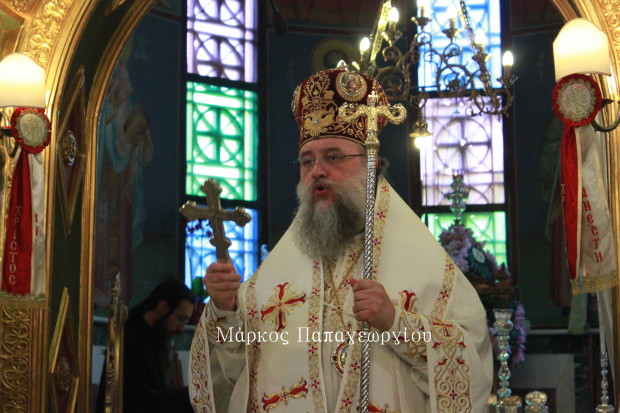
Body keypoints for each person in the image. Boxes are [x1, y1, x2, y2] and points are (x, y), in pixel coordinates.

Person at [189, 66, 493, 412]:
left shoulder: (425, 266)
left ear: (370, 165)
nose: (317, 170)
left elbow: (472, 365)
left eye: (333, 157)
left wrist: (396, 323)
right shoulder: (272, 275)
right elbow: (233, 375)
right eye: (307, 161)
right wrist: (225, 310)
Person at [98, 278, 196, 413]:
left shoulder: (154, 338)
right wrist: (194, 394)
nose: (181, 328)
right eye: (181, 319)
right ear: (162, 307)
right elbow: (143, 402)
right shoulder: (132, 339)